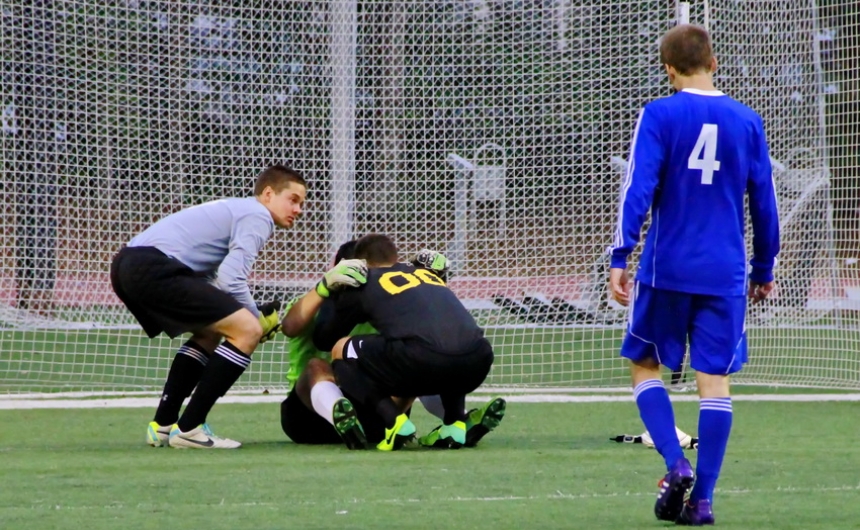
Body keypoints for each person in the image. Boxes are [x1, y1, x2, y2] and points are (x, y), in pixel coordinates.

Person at [607, 25, 780, 525]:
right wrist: (764, 265)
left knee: (644, 364)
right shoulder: (747, 120)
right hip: (725, 273)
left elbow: (638, 188)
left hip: (667, 268)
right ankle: (702, 500)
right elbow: (764, 201)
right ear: (714, 62)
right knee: (715, 382)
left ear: (668, 69)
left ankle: (674, 462)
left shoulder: (659, 114)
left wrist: (620, 255)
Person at [110, 165, 310, 449]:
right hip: (153, 267)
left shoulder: (237, 209)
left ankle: (163, 424)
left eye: (301, 203)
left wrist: (243, 312)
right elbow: (231, 279)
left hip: (127, 264)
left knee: (210, 331)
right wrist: (256, 318)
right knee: (247, 331)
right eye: (293, 200)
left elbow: (210, 280)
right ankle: (189, 428)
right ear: (268, 194)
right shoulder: (258, 215)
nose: (299, 209)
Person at [280, 242, 506, 450]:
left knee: (419, 360)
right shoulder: (314, 302)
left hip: (375, 414)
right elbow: (290, 327)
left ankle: (459, 420)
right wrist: (324, 287)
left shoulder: (388, 303)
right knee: (317, 366)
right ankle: (340, 413)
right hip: (310, 415)